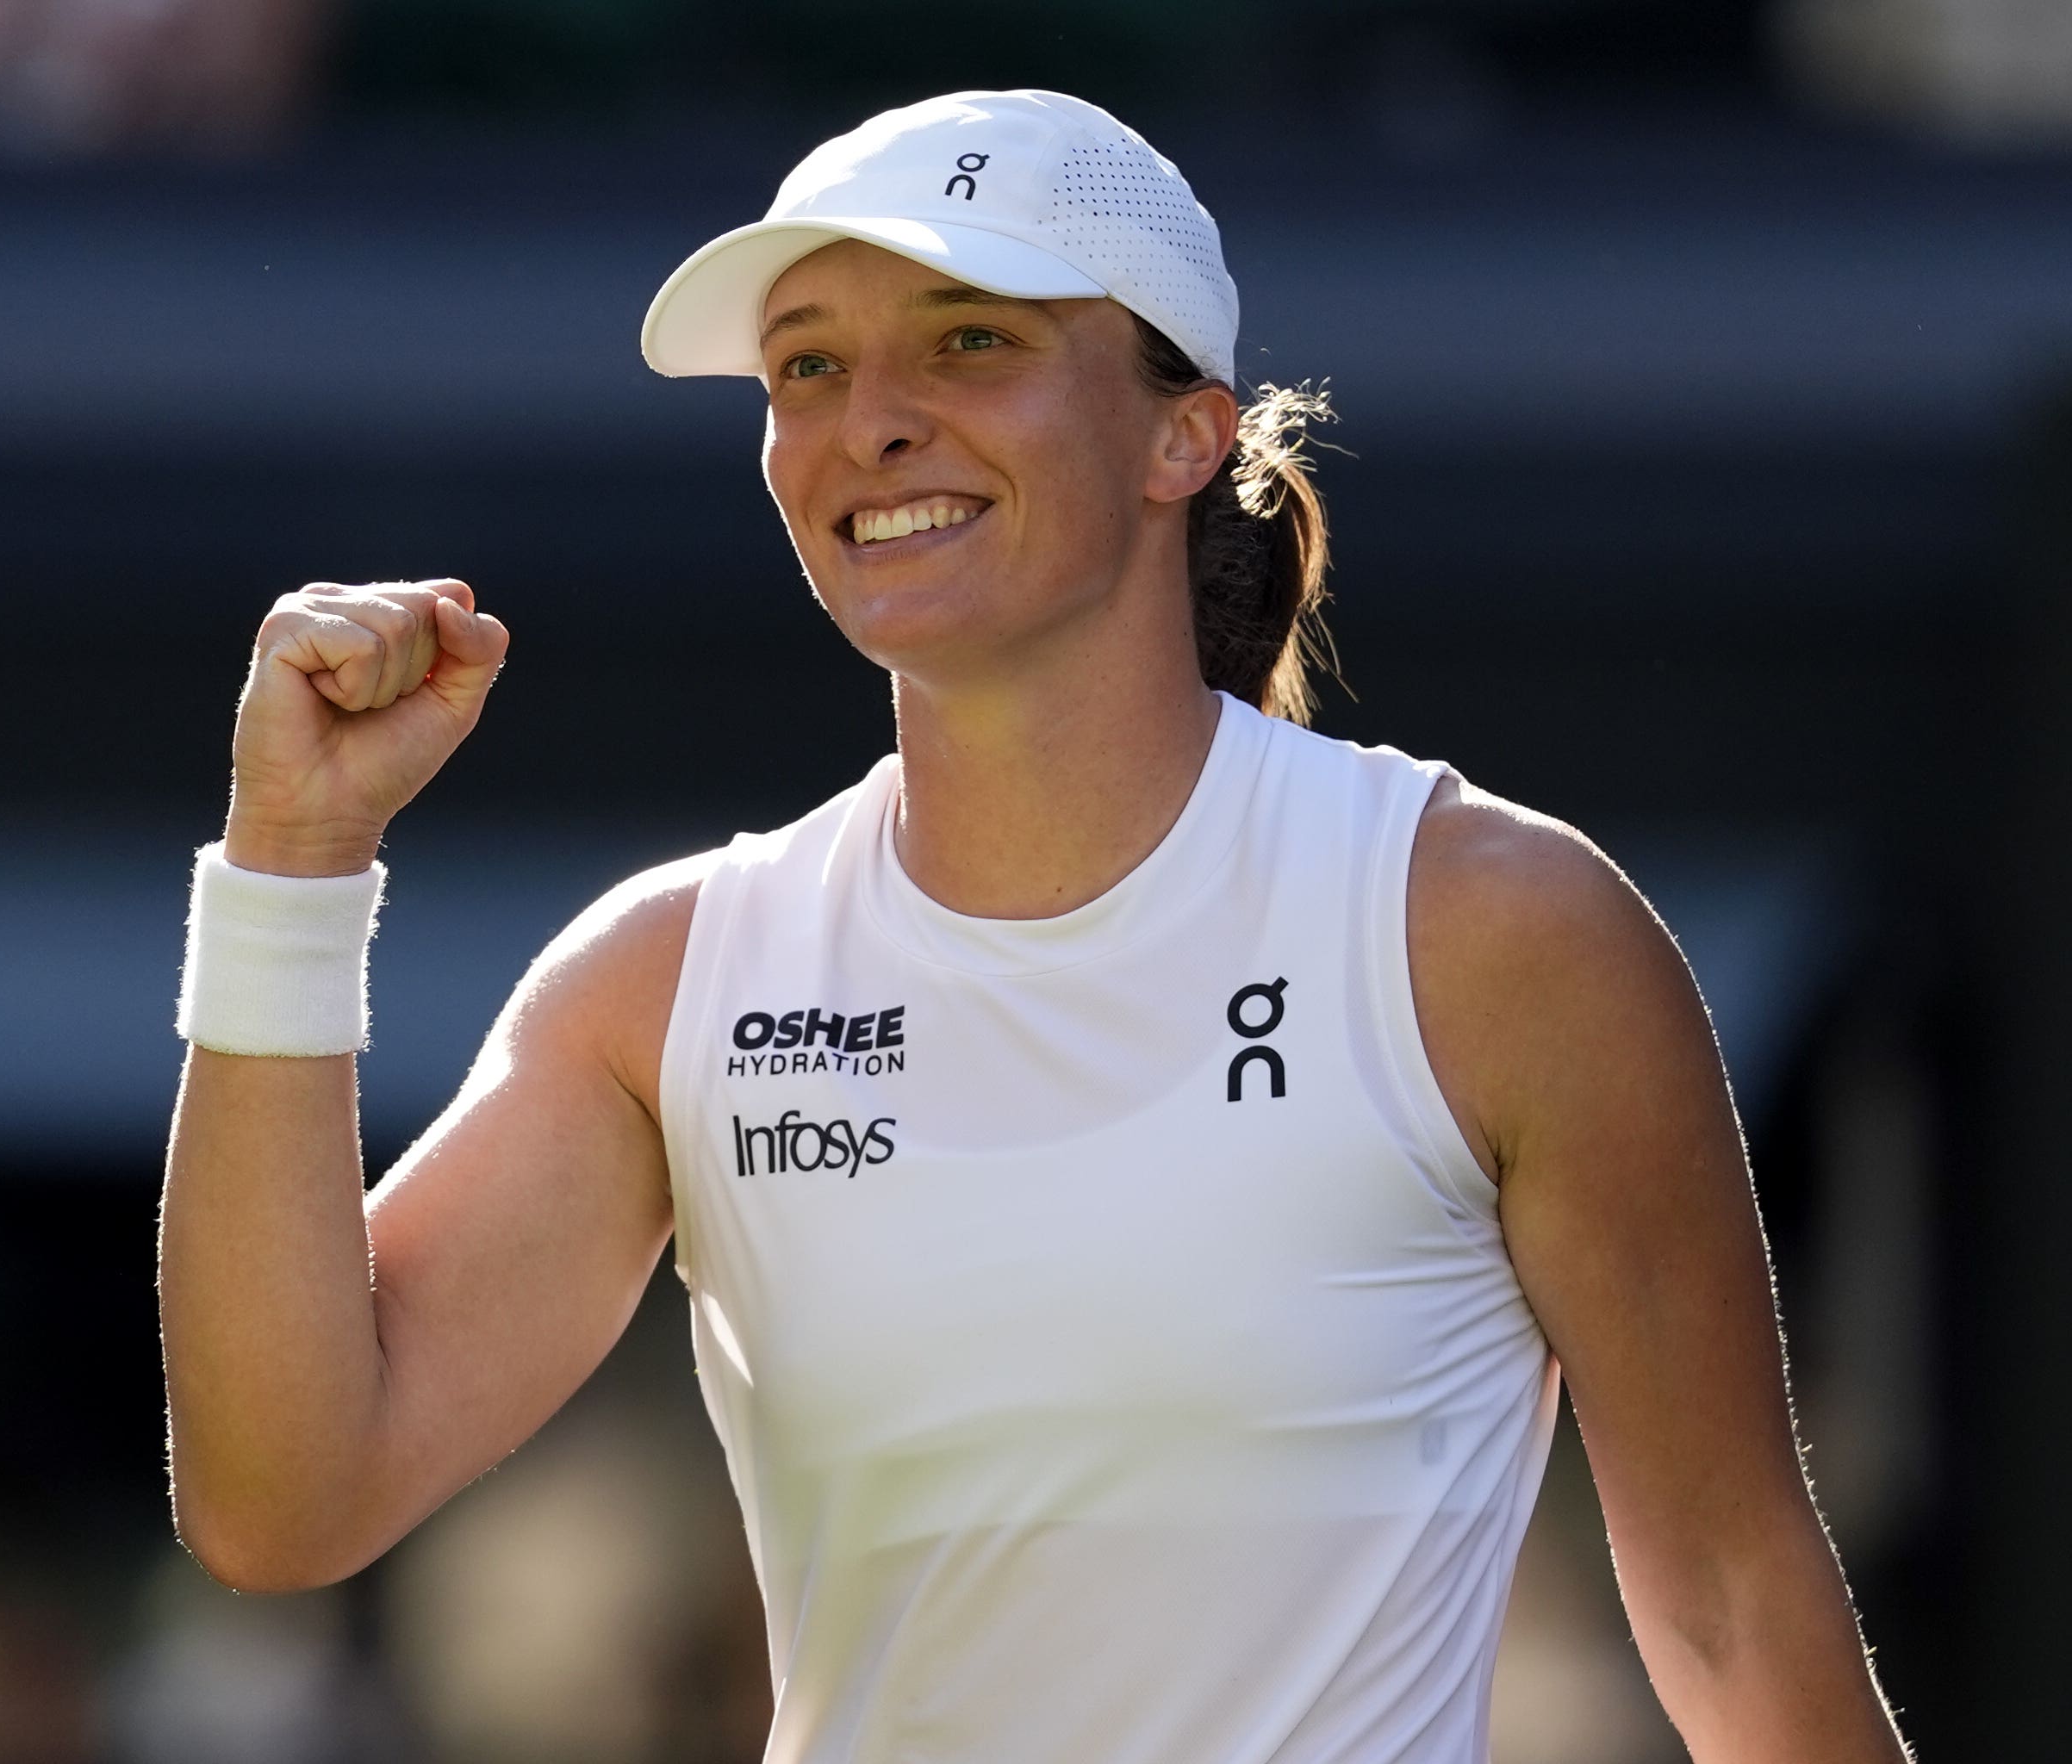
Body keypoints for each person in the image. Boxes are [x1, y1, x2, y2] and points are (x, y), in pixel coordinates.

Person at [159, 90, 1913, 1764]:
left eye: (970, 340)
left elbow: (1735, 1608)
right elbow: (281, 1500)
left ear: (1185, 431)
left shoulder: (1494, 930)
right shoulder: (673, 976)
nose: (872, 418)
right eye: (810, 367)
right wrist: (290, 867)